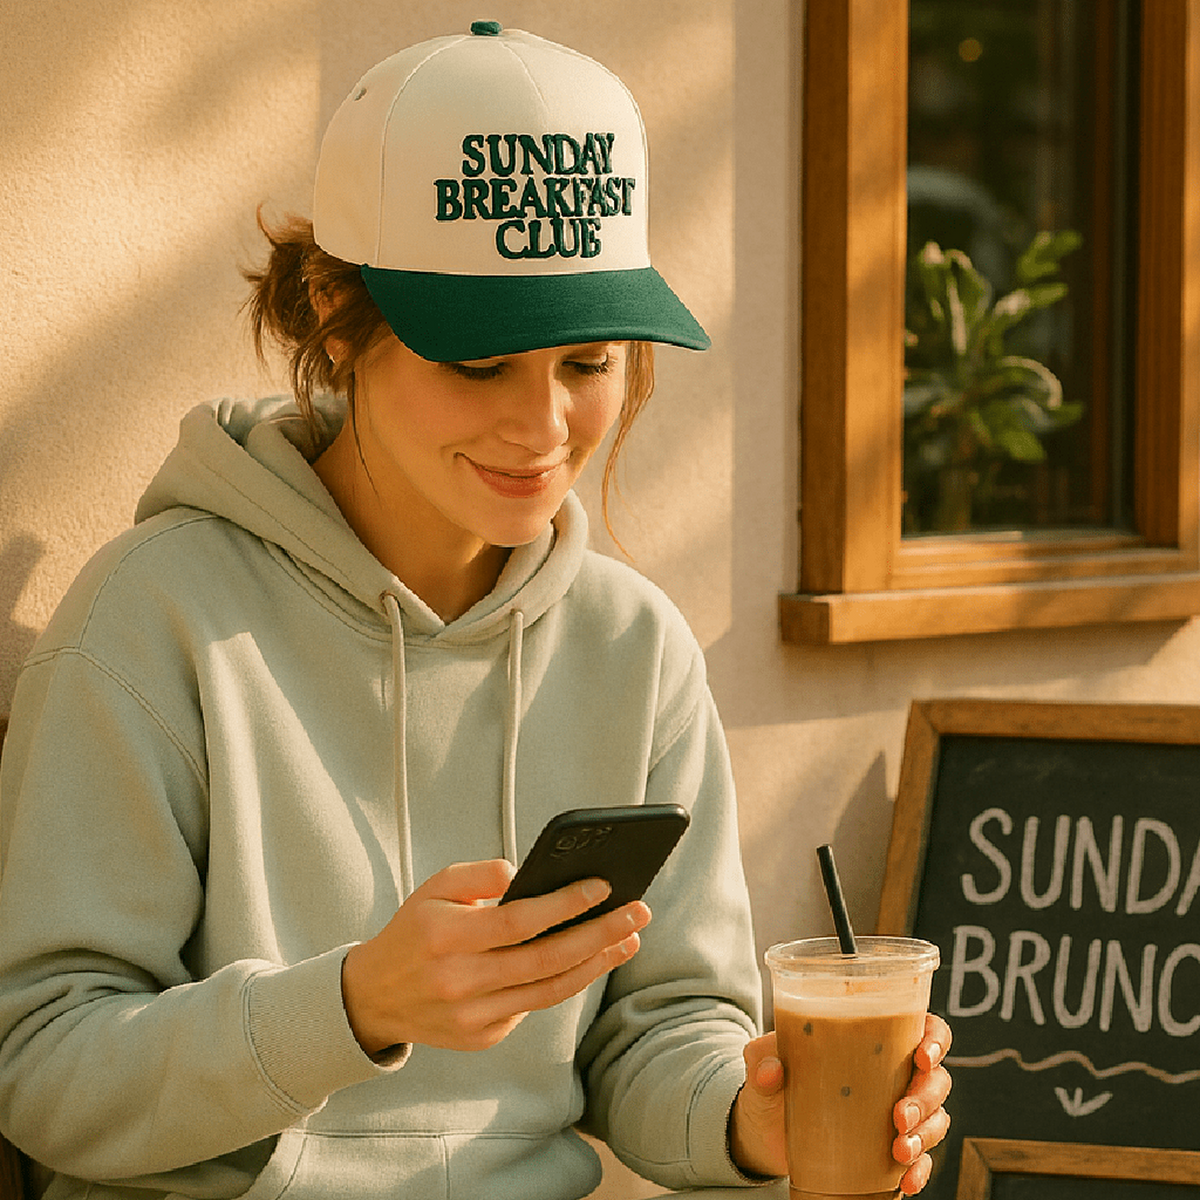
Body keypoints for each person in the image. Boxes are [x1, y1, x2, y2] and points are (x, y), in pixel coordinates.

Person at [0, 21, 951, 1200]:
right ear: (336, 315)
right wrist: (352, 1006)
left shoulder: (634, 646)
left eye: (587, 362)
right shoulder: (154, 620)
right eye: (479, 362)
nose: (544, 427)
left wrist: (751, 1120)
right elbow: (43, 1071)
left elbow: (658, 1034)